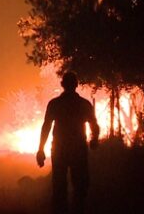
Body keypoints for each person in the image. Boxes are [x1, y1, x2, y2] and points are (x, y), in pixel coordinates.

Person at [36, 72, 100, 214]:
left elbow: (46, 127)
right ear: (76, 85)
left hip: (59, 150)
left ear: (62, 84)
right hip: (78, 150)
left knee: (59, 188)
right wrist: (94, 139)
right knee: (81, 187)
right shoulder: (84, 104)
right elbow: (94, 125)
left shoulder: (55, 104)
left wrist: (41, 149)